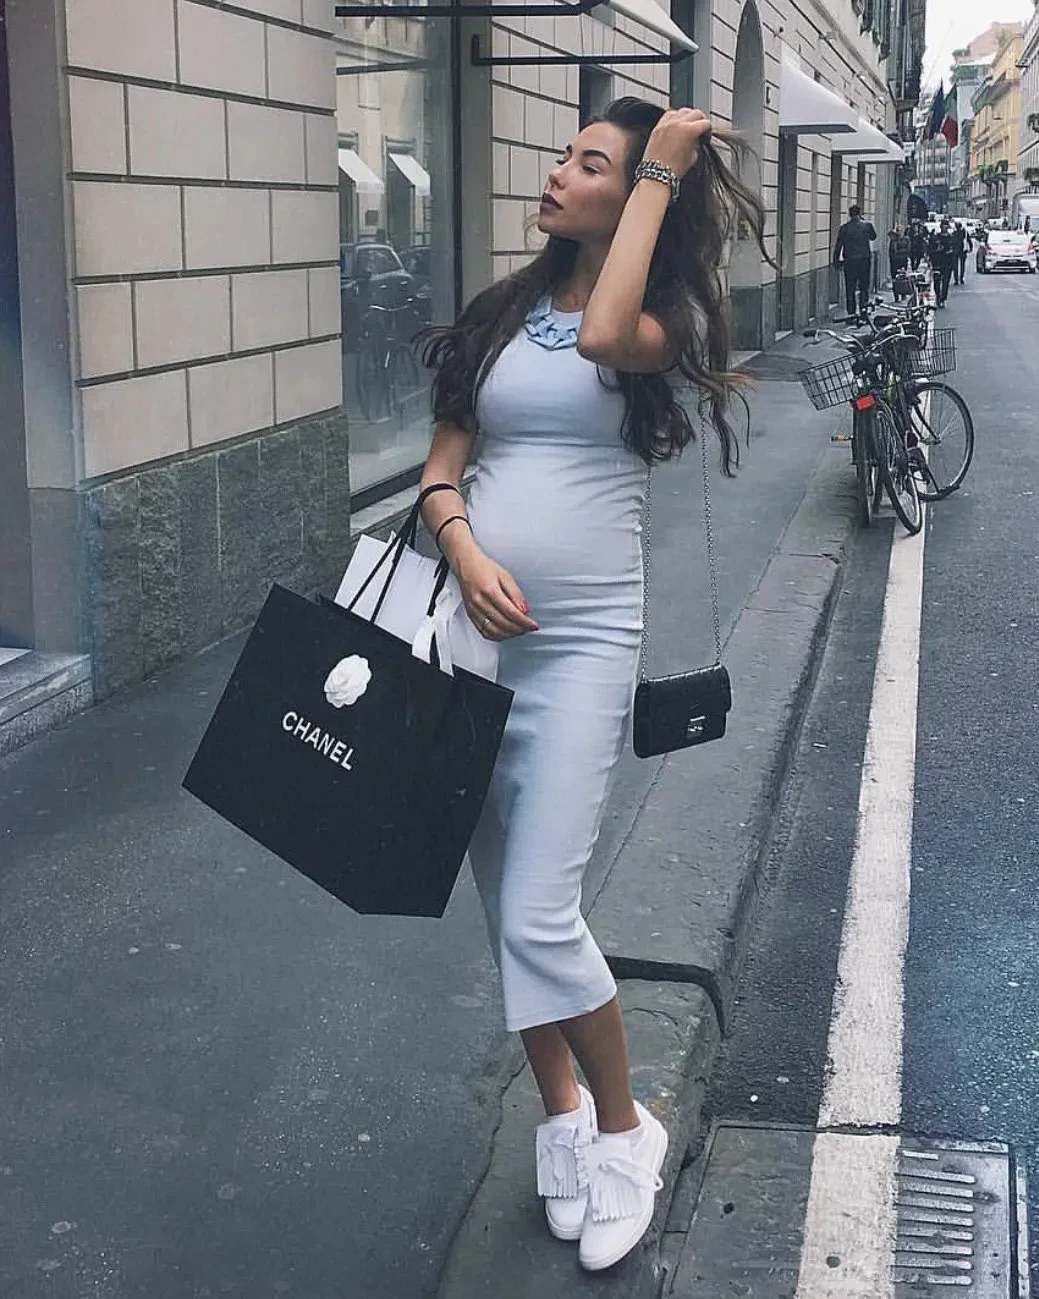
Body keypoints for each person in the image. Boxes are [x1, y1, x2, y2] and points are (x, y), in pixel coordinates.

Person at [414, 99, 766, 1273]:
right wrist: (464, 550)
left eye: (590, 164)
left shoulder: (662, 318)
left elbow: (605, 330)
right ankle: (561, 1117)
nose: (558, 173)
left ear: (639, 199)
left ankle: (625, 1132)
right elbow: (442, 467)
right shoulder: (499, 314)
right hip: (472, 648)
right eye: (565, 156)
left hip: (578, 652)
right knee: (503, 909)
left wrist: (663, 162)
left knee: (538, 911)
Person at [833, 204, 877, 320]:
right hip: (864, 261)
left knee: (850, 288)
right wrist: (865, 221)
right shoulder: (866, 226)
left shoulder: (844, 228)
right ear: (860, 213)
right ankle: (863, 311)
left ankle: (851, 313)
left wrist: (836, 261)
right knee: (864, 287)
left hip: (850, 261)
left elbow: (838, 245)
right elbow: (873, 237)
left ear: (849, 214)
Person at [928, 218, 956, 307]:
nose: (944, 228)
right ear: (941, 227)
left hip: (948, 263)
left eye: (946, 226)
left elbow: (955, 251)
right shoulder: (936, 238)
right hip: (937, 263)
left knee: (945, 282)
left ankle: (943, 299)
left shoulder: (951, 238)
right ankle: (938, 296)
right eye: (943, 226)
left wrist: (951, 253)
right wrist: (936, 251)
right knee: (937, 281)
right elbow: (930, 250)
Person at [888, 224, 910, 300]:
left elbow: (908, 250)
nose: (899, 232)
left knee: (903, 278)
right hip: (895, 261)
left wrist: (900, 252)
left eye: (900, 230)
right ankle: (896, 295)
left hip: (903, 260)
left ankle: (903, 293)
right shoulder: (893, 240)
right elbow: (892, 251)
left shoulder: (906, 239)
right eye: (898, 230)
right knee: (894, 279)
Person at [951, 221, 972, 286]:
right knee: (962, 265)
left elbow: (951, 242)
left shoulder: (954, 233)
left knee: (955, 266)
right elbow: (969, 240)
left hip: (956, 251)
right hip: (962, 251)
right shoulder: (964, 233)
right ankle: (961, 278)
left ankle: (956, 279)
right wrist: (970, 248)